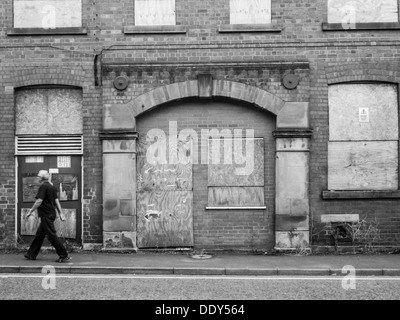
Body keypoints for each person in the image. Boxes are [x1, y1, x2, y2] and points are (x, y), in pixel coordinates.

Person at [24, 170, 71, 263]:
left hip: (46, 214)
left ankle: (64, 255)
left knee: (51, 235)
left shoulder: (43, 186)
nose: (37, 178)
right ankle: (31, 254)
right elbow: (56, 201)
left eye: (38, 176)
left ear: (41, 178)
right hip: (50, 213)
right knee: (39, 235)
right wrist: (60, 213)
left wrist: (30, 211)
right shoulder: (51, 187)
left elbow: (39, 201)